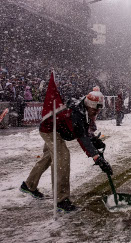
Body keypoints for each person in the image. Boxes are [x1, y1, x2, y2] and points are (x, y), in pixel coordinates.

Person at [21, 82, 112, 212]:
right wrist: (96, 157)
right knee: (62, 158)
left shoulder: (84, 109)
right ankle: (61, 200)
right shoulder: (76, 113)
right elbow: (82, 137)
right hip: (50, 130)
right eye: (95, 110)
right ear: (89, 105)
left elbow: (84, 132)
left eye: (99, 110)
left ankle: (28, 185)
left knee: (47, 158)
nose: (96, 112)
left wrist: (94, 140)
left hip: (57, 129)